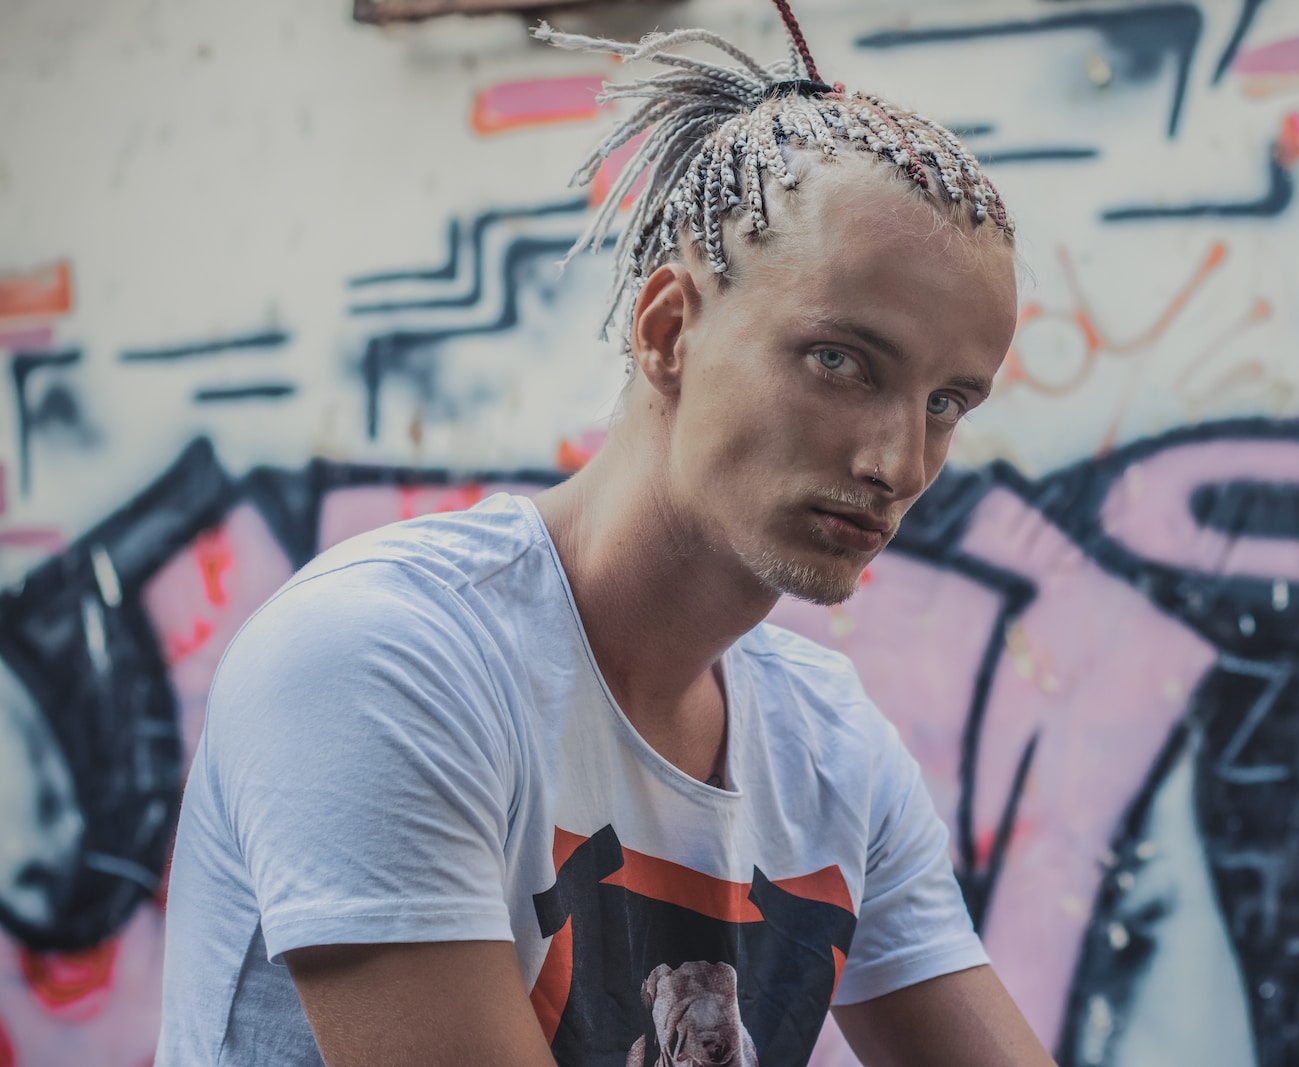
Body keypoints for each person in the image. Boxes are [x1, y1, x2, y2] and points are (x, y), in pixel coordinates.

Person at [158, 4, 1052, 1065]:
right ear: (668, 329)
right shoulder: (383, 656)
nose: (898, 464)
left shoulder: (831, 752)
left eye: (947, 401)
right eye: (839, 361)